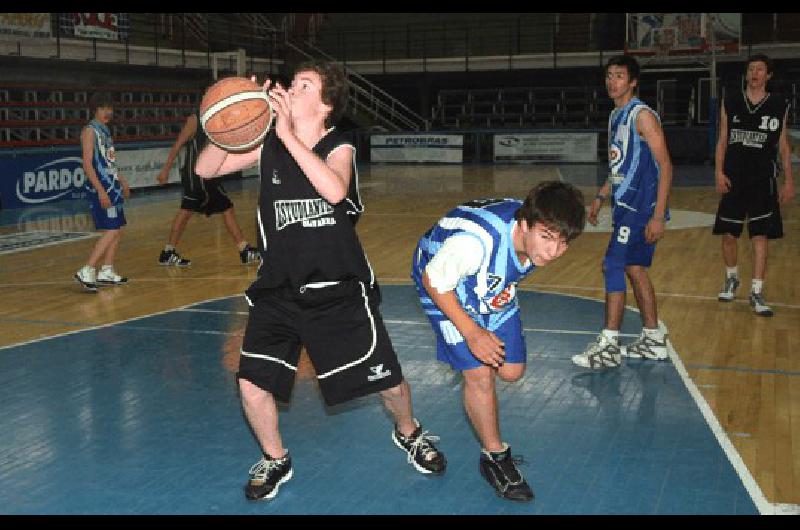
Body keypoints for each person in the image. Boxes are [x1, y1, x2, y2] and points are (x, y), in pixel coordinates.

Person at [194, 60, 446, 501]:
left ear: (325, 104)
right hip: (278, 290)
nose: (292, 89)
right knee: (251, 384)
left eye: (303, 85)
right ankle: (276, 458)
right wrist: (231, 114)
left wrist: (288, 133)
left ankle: (409, 431)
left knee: (389, 384)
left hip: (338, 291)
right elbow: (206, 169)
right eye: (292, 83)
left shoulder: (338, 144)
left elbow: (335, 190)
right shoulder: (268, 142)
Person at [412, 182, 586, 502]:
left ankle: (481, 392)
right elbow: (434, 280)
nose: (553, 251)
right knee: (479, 373)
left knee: (510, 371)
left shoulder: (538, 225)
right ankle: (495, 457)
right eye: (546, 238)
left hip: (488, 279)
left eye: (563, 243)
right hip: (442, 280)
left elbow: (513, 261)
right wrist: (473, 332)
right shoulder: (474, 244)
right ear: (523, 225)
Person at [571, 54, 673, 370]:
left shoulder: (642, 116)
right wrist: (601, 196)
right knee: (635, 267)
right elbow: (619, 165)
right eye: (609, 75)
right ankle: (653, 338)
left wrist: (658, 216)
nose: (612, 81)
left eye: (619, 76)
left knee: (612, 263)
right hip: (625, 206)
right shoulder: (617, 115)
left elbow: (666, 164)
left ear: (633, 81)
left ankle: (609, 344)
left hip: (640, 208)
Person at [713, 53, 795, 316]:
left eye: (760, 69)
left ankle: (757, 292)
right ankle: (732, 277)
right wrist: (718, 171)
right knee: (729, 235)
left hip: (763, 180)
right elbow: (723, 139)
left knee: (760, 235)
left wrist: (789, 181)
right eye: (751, 69)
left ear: (768, 75)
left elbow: (783, 145)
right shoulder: (733, 100)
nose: (755, 73)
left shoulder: (779, 104)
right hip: (734, 177)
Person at [155, 113, 260, 266]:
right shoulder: (195, 120)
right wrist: (166, 169)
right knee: (203, 210)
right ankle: (244, 250)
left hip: (209, 173)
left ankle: (168, 252)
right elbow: (178, 144)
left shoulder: (217, 121)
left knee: (211, 209)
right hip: (197, 175)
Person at [74, 92, 130, 292]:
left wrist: (121, 180)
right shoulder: (90, 131)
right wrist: (101, 191)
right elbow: (87, 165)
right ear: (95, 110)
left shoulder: (105, 130)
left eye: (110, 108)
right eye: (103, 108)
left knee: (118, 228)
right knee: (112, 229)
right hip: (101, 187)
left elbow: (109, 162)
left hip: (112, 185)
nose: (108, 112)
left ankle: (106, 270)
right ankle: (87, 269)